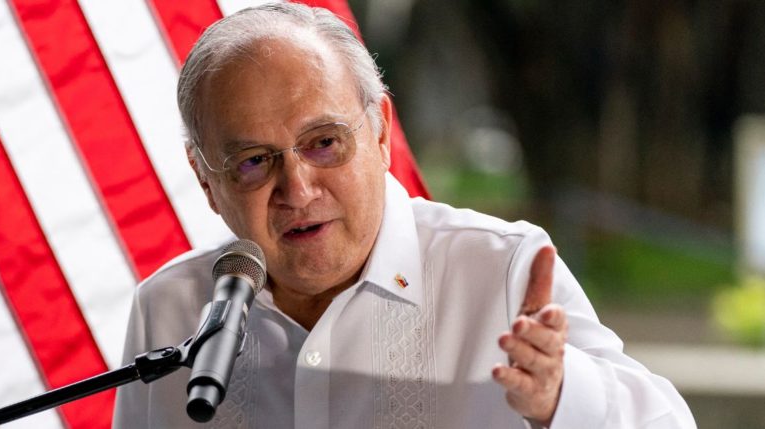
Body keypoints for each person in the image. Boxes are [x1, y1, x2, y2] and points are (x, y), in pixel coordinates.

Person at [113, 3, 696, 428]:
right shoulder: (168, 307)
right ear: (205, 181)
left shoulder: (501, 269)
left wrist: (562, 395)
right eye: (253, 161)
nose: (297, 187)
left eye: (323, 143)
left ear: (382, 131)